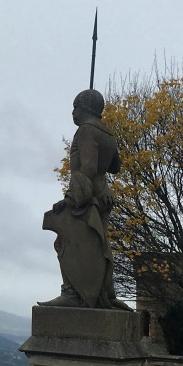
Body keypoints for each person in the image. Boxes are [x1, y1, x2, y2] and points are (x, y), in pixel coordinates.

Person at [41, 89, 130, 308]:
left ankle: (73, 293)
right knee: (100, 246)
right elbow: (115, 167)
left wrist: (71, 198)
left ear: (85, 108)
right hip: (102, 195)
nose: (73, 112)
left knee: (67, 242)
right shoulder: (108, 134)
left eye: (75, 107)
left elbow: (88, 167)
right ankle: (106, 294)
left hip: (86, 196)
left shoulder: (85, 131)